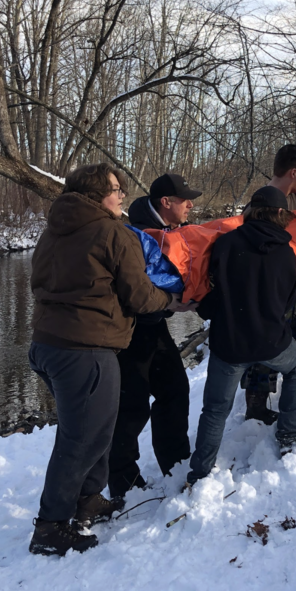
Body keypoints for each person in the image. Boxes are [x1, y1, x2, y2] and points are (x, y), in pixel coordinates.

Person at [28, 163, 182, 557]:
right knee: (81, 437)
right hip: (85, 349)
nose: (122, 196)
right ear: (97, 194)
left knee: (97, 426)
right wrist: (174, 300)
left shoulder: (53, 230)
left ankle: (88, 499)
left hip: (47, 345)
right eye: (116, 189)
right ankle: (50, 526)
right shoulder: (114, 232)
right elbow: (140, 296)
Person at [187, 186, 296, 485]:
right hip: (272, 341)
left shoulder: (226, 244)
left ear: (251, 210)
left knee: (215, 409)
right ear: (281, 213)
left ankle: (199, 473)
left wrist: (206, 309)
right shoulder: (287, 252)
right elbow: (288, 302)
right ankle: (290, 434)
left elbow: (211, 289)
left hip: (229, 344)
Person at [107, 173, 202, 500]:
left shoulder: (164, 231)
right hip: (128, 331)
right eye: (185, 199)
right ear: (166, 202)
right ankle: (123, 483)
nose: (191, 204)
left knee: (175, 389)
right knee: (131, 407)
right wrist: (172, 302)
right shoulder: (139, 234)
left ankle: (176, 464)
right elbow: (138, 286)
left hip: (153, 324)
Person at [241, 144, 296, 424]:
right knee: (266, 338)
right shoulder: (260, 202)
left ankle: (293, 374)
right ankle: (257, 402)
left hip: (295, 281)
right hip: (267, 286)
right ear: (292, 172)